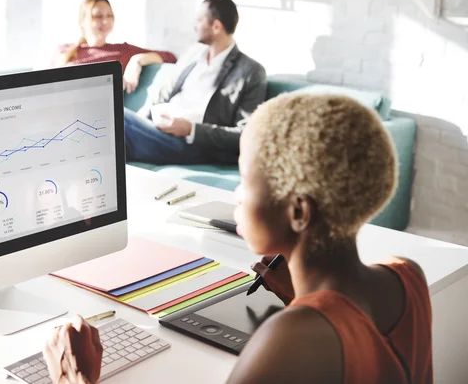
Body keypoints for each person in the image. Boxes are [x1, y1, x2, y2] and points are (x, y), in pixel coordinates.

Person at [42, 92, 433, 384]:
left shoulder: (291, 337)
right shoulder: (407, 277)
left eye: (246, 181)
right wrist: (304, 301)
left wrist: (73, 378)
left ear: (298, 212)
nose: (236, 196)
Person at [124, 0, 266, 165]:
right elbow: (164, 93)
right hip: (160, 131)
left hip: (194, 145)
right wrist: (141, 120)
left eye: (199, 20)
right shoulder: (193, 54)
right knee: (116, 136)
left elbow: (246, 133)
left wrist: (191, 130)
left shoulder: (250, 71)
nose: (194, 26)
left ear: (216, 26)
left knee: (118, 120)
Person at [52, 0, 177, 92]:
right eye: (98, 16)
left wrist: (137, 60)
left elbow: (170, 57)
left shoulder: (122, 51)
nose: (105, 21)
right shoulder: (64, 50)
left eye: (109, 16)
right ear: (82, 21)